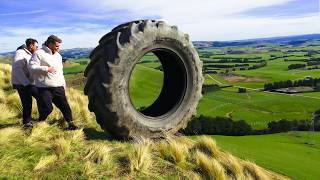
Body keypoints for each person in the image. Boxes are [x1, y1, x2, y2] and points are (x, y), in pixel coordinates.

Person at [29, 35, 78, 130]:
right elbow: (31, 68)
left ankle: (71, 124)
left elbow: (60, 72)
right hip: (44, 87)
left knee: (65, 107)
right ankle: (40, 122)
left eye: (59, 46)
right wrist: (46, 69)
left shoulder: (58, 56)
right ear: (50, 44)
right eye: (57, 46)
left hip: (58, 86)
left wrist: (63, 84)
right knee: (47, 108)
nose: (58, 48)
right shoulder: (39, 53)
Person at [11, 38, 41, 127]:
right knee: (27, 102)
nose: (37, 48)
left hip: (28, 83)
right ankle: (27, 122)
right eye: (36, 46)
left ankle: (35, 119)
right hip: (22, 83)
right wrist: (26, 83)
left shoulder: (29, 54)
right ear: (31, 46)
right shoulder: (20, 53)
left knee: (38, 99)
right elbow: (17, 69)